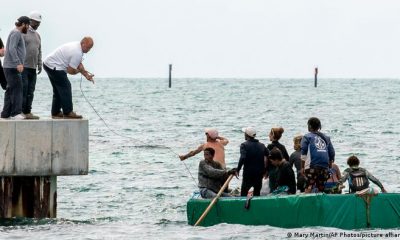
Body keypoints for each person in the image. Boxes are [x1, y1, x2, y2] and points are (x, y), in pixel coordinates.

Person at [43, 37, 94, 119]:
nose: (89, 50)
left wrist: (86, 75)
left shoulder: (78, 46)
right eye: (88, 47)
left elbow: (78, 63)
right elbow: (70, 71)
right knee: (66, 86)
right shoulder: (77, 52)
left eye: (90, 48)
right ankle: (68, 112)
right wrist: (78, 71)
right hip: (54, 66)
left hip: (48, 64)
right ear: (83, 43)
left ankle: (55, 112)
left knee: (58, 90)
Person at [1, 16, 30, 120]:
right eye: (28, 25)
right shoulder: (16, 33)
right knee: (17, 88)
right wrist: (18, 63)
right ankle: (15, 113)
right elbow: (11, 48)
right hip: (12, 66)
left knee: (10, 89)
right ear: (24, 24)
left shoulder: (16, 32)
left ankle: (5, 113)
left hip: (10, 66)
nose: (28, 27)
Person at [300, 117, 335, 193]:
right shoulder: (326, 138)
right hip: (324, 167)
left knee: (309, 186)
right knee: (321, 188)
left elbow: (303, 153)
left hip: (311, 166)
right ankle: (320, 203)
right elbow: (332, 153)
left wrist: (302, 167)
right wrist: (329, 166)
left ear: (309, 126)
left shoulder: (307, 137)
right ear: (319, 127)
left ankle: (307, 203)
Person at [21, 11, 42, 119]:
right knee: (23, 89)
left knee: (31, 91)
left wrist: (40, 64)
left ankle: (28, 111)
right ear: (30, 21)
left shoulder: (38, 35)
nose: (38, 24)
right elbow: (19, 48)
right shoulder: (24, 33)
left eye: (39, 23)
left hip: (33, 67)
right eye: (36, 22)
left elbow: (39, 50)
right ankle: (21, 112)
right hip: (23, 67)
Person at [237, 127, 269, 196]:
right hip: (259, 173)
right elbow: (269, 156)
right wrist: (266, 169)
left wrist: (238, 169)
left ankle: (243, 206)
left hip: (248, 174)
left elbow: (242, 157)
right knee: (257, 193)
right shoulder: (262, 145)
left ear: (246, 135)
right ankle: (256, 206)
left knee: (244, 193)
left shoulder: (244, 145)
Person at [266, 127, 290, 192]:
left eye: (270, 134)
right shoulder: (282, 147)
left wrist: (266, 171)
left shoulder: (270, 146)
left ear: (273, 135)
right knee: (281, 189)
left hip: (272, 172)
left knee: (273, 190)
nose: (268, 135)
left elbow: (267, 160)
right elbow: (287, 159)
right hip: (282, 171)